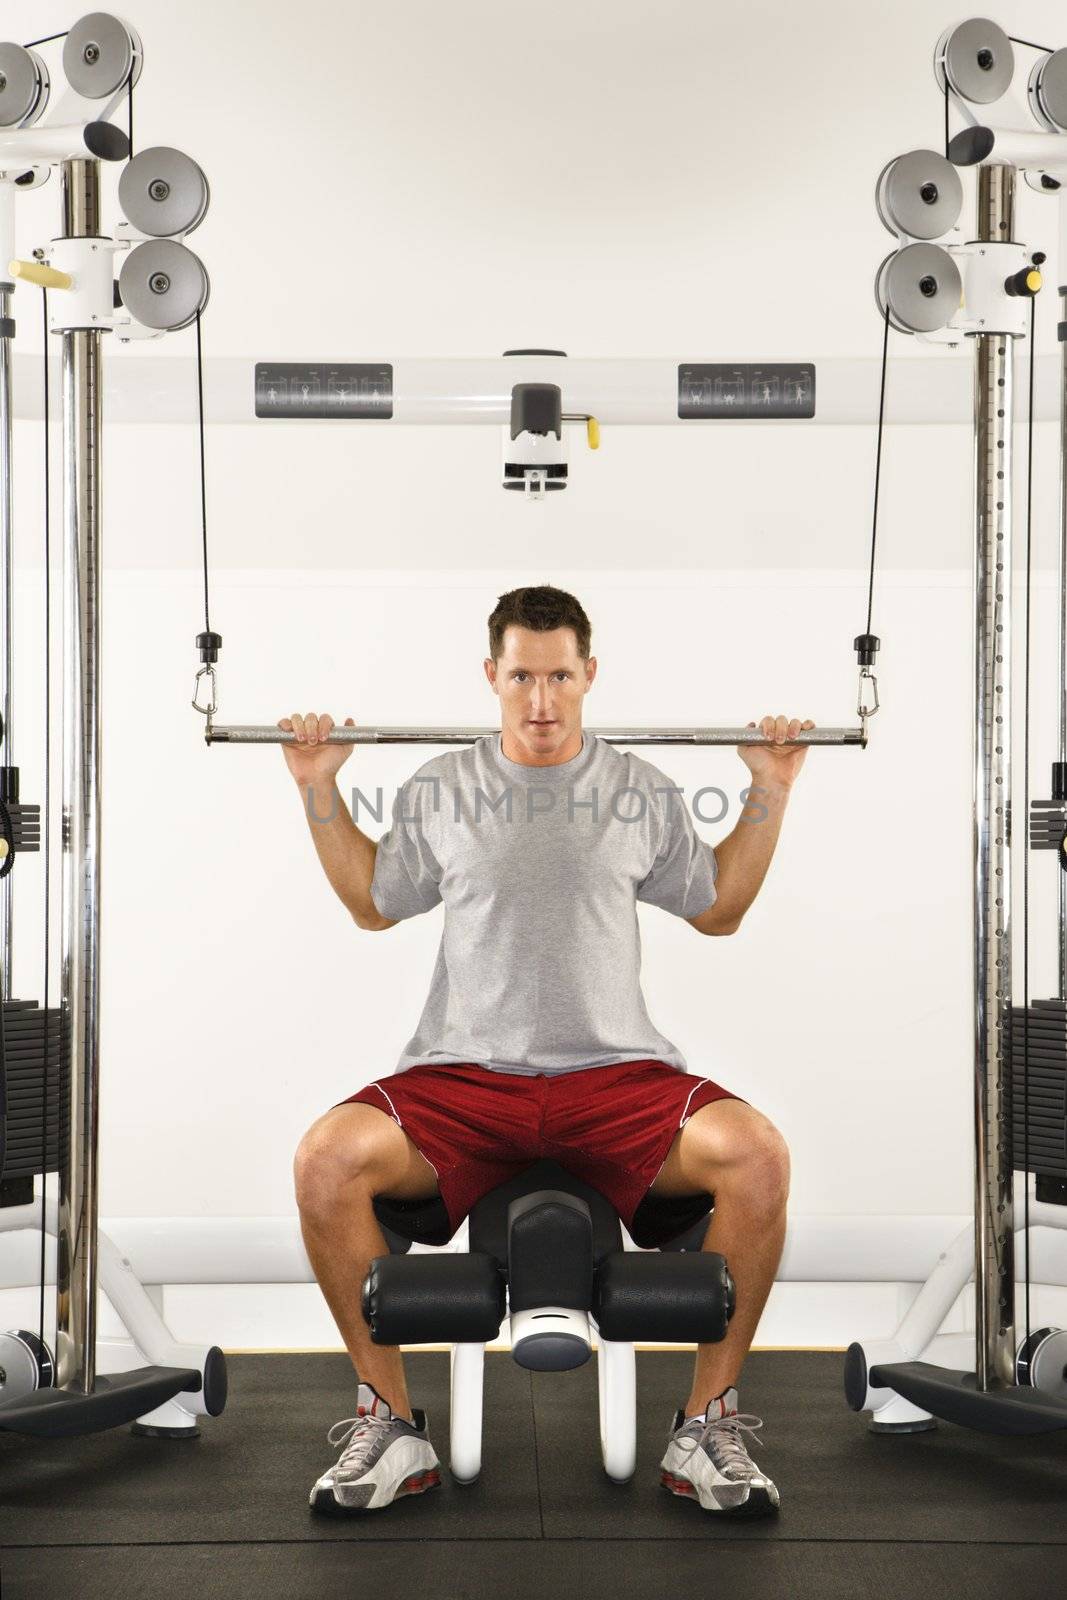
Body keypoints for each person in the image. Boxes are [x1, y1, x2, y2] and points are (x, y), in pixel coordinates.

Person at [288, 585, 812, 1518]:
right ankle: (388, 1421)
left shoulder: (640, 791)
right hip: (463, 1077)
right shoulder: (440, 789)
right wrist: (319, 789)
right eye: (521, 675)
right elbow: (374, 903)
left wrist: (769, 789)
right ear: (491, 675)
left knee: (756, 1153)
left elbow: (719, 909)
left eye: (558, 675)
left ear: (588, 676)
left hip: (615, 1076)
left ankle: (707, 1425)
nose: (539, 698)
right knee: (326, 1158)